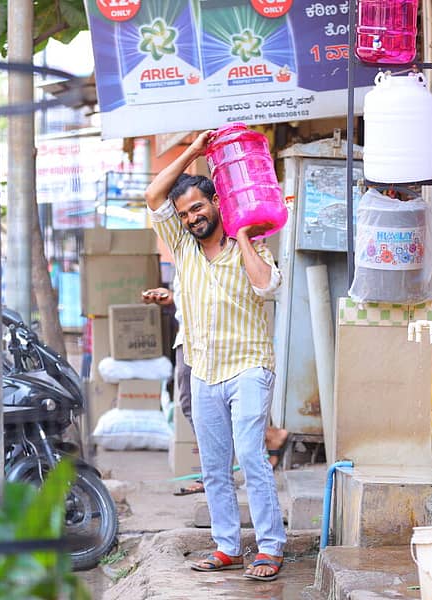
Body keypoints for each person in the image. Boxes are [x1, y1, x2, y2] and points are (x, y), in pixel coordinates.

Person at [143, 131, 286, 581]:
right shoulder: (183, 246)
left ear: (217, 203)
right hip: (203, 367)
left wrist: (242, 234)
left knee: (250, 453)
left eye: (198, 208)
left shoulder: (252, 247)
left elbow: (267, 287)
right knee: (213, 465)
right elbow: (153, 194)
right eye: (184, 213)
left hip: (248, 365)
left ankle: (269, 546)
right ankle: (227, 546)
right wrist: (193, 152)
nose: (190, 218)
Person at [143, 273, 290, 496]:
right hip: (192, 334)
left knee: (204, 405)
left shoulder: (214, 246)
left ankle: (216, 472)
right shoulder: (184, 248)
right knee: (195, 404)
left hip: (211, 336)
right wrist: (174, 298)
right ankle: (256, 444)